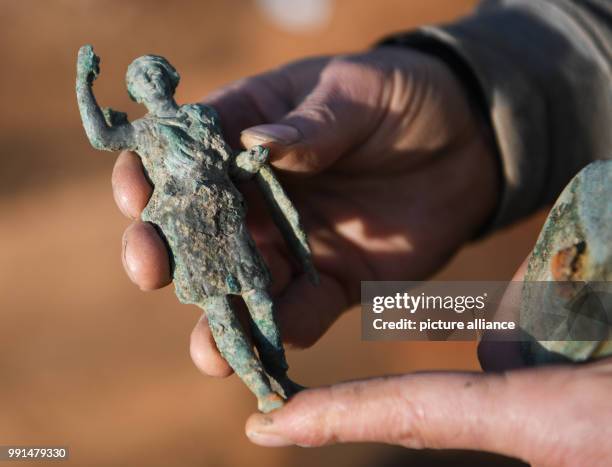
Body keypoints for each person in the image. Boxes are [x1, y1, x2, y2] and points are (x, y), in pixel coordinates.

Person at [107, 0, 612, 464]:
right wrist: (479, 96)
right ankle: (265, 382)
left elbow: (230, 165)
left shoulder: (202, 118)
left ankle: (279, 371)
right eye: (142, 79)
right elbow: (107, 135)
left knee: (276, 301)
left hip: (246, 228)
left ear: (170, 76)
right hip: (214, 234)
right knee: (243, 315)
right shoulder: (151, 129)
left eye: (156, 71)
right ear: (136, 92)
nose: (152, 81)